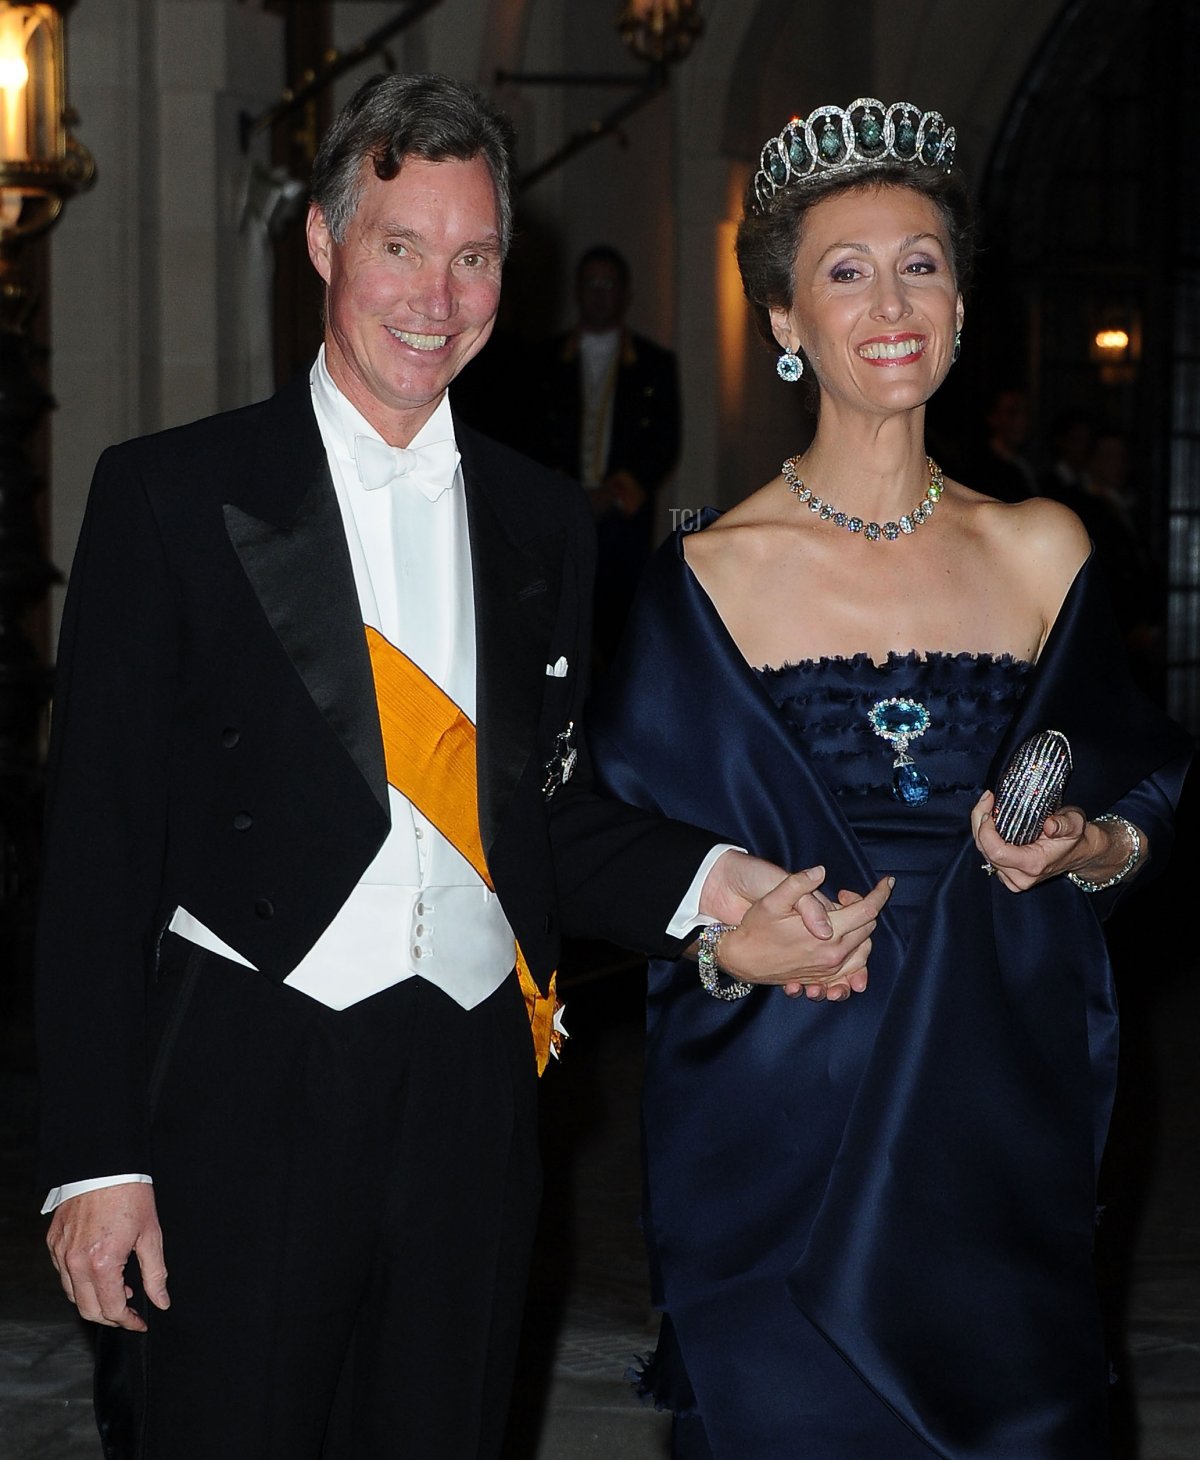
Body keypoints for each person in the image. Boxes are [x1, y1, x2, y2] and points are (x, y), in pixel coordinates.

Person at [33, 74, 892, 1460]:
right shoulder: (173, 496)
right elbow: (94, 860)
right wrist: (96, 1159)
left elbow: (542, 816)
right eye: (400, 247)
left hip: (472, 1097)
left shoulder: (543, 519)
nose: (438, 295)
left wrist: (726, 889)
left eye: (474, 255)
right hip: (250, 1081)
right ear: (323, 244)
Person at [585, 97, 1192, 1459]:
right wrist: (734, 948)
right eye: (845, 272)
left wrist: (1089, 850)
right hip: (783, 1098)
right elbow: (619, 858)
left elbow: (1144, 798)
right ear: (788, 324)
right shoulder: (709, 577)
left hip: (993, 1092)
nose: (891, 301)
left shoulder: (1047, 548)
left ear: (961, 303)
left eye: (921, 263)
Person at [527, 244, 682, 672]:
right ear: (576, 291)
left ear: (625, 294)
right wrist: (566, 492)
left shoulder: (655, 364)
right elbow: (528, 436)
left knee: (620, 638)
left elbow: (665, 441)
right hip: (558, 516)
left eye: (607, 284)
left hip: (623, 522)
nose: (598, 293)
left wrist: (614, 492)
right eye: (590, 284)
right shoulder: (541, 362)